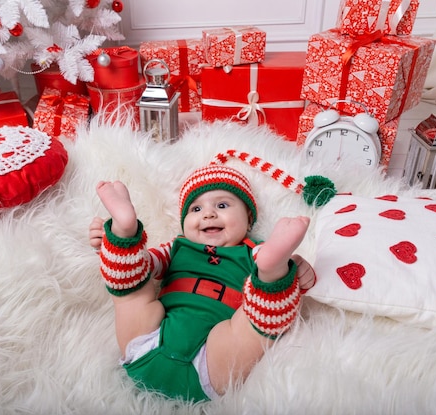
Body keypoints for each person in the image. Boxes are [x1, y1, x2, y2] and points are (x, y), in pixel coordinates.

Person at [88, 164, 316, 402]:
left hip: (212, 361)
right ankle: (124, 232)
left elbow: (302, 286)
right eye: (196, 208)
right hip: (149, 341)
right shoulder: (177, 246)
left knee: (250, 327)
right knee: (133, 293)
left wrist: (295, 271)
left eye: (222, 205)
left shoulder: (254, 252)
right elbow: (145, 265)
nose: (208, 214)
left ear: (249, 218)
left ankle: (274, 273)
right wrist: (115, 248)